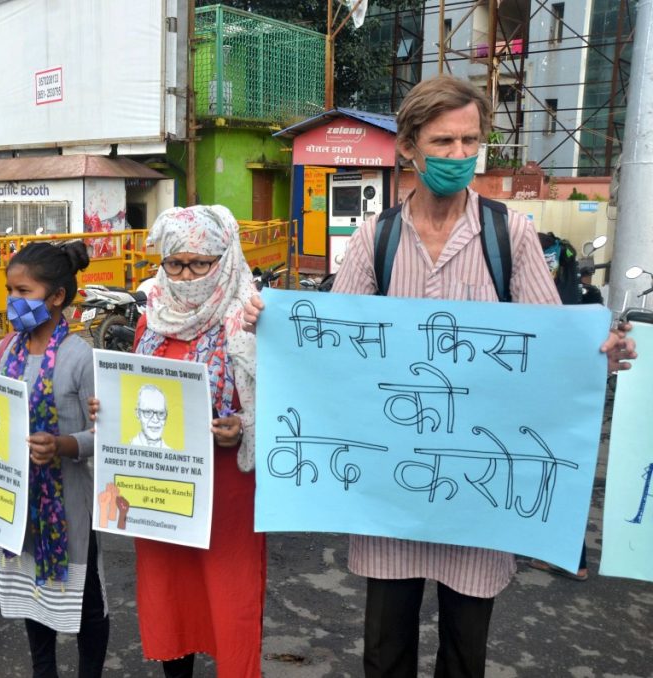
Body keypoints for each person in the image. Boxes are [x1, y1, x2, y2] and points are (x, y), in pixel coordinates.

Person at [243, 74, 636, 678]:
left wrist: (599, 353)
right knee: (385, 653)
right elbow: (330, 345)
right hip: (388, 493)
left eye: (469, 141)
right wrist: (271, 325)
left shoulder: (510, 236)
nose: (459, 155)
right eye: (443, 142)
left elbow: (551, 348)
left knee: (464, 655)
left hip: (477, 493)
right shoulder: (377, 238)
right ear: (408, 147)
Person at [92, 205, 263, 677]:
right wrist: (108, 408)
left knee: (231, 597)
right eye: (175, 264)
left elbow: (285, 402)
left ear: (224, 259)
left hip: (227, 492)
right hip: (160, 490)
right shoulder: (152, 316)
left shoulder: (251, 319)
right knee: (168, 594)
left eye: (200, 264)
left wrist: (244, 426)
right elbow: (136, 384)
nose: (186, 276)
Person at [0, 240, 110, 677]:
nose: (13, 301)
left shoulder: (80, 357)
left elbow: (106, 436)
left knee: (86, 599)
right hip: (18, 502)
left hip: (69, 504)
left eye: (24, 292)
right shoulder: (6, 350)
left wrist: (63, 445)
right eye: (9, 290)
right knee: (32, 593)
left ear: (56, 296)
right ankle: (43, 670)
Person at [130, 384, 170, 449]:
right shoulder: (130, 444)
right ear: (138, 414)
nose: (155, 420)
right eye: (148, 412)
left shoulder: (170, 450)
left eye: (161, 413)